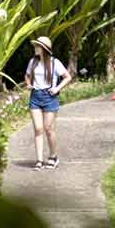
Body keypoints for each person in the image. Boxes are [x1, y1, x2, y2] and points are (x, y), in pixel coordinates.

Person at [25, 36, 72, 171]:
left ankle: (53, 156)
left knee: (48, 129)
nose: (35, 48)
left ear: (44, 49)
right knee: (38, 129)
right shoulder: (33, 62)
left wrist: (57, 88)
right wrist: (28, 84)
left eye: (38, 46)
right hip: (35, 96)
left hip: (50, 97)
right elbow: (27, 76)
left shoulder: (55, 63)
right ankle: (39, 160)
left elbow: (67, 77)